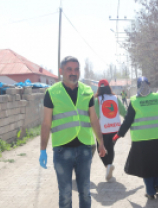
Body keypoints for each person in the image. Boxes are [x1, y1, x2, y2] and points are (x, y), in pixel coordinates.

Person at [39, 56, 106, 208]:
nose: (73, 72)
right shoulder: (52, 92)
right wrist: (43, 149)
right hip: (62, 150)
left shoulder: (87, 91)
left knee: (85, 192)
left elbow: (94, 119)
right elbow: (46, 123)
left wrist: (101, 142)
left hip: (84, 148)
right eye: (69, 69)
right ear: (61, 71)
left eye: (76, 69)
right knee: (65, 195)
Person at [112, 76, 158, 199]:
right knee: (157, 162)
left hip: (141, 140)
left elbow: (128, 120)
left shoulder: (135, 100)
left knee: (146, 166)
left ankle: (150, 191)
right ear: (150, 84)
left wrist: (119, 134)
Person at [94, 79, 126, 181]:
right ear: (109, 87)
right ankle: (109, 166)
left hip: (103, 130)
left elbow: (95, 116)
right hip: (116, 129)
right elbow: (124, 112)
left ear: (99, 88)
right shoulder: (116, 98)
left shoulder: (97, 100)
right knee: (111, 148)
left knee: (101, 149)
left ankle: (108, 166)